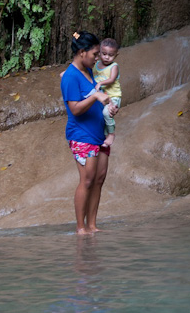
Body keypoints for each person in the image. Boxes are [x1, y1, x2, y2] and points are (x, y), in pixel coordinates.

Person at [60, 31, 119, 235]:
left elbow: (98, 97)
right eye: (94, 54)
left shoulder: (88, 71)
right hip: (81, 135)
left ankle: (92, 225)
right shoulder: (70, 76)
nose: (97, 58)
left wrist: (109, 106)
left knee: (99, 178)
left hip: (99, 133)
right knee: (87, 179)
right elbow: (75, 109)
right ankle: (80, 228)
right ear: (82, 52)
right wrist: (95, 96)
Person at [93, 38, 122, 148]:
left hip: (114, 96)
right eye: (104, 54)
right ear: (99, 52)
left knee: (106, 113)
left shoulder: (114, 66)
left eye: (110, 55)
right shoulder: (95, 65)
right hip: (102, 97)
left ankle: (111, 133)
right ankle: (104, 138)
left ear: (116, 55)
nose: (106, 57)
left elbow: (112, 79)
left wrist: (100, 83)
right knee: (101, 117)